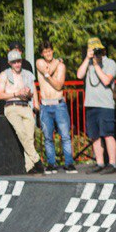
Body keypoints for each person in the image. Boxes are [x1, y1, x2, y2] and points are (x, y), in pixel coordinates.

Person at [76, 37, 116, 173]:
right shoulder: (88, 63)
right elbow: (79, 75)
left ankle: (112, 163)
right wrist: (87, 59)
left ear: (103, 50)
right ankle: (99, 163)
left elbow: (106, 81)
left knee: (108, 134)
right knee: (94, 135)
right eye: (93, 50)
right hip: (90, 103)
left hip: (105, 105)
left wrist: (96, 65)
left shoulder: (110, 63)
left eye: (98, 50)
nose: (96, 53)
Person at [0, 50, 42, 174]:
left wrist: (28, 93)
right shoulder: (4, 75)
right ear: (9, 63)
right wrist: (16, 93)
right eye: (14, 62)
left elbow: (32, 93)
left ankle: (29, 167)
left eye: (19, 61)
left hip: (26, 106)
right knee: (21, 132)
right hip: (12, 107)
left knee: (30, 136)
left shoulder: (27, 74)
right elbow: (0, 95)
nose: (17, 64)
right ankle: (37, 160)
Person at [35, 40, 76, 173]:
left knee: (65, 136)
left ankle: (69, 163)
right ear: (42, 54)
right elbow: (49, 70)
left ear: (52, 50)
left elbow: (59, 86)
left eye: (49, 51)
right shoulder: (40, 62)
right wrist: (56, 63)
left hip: (59, 104)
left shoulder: (61, 66)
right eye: (45, 52)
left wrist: (48, 75)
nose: (48, 54)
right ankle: (51, 163)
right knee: (48, 137)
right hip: (45, 105)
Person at [0, 42, 33, 115]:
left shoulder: (27, 64)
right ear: (9, 51)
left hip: (22, 103)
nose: (17, 53)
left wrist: (34, 103)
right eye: (15, 50)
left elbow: (32, 85)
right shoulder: (3, 62)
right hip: (5, 100)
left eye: (19, 50)